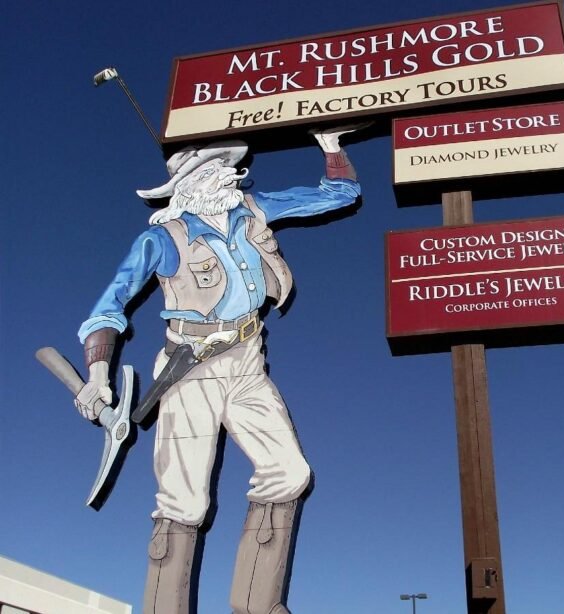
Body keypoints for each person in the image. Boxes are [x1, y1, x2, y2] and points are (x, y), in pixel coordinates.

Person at [73, 127, 362, 614]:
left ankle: (258, 605)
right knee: (184, 501)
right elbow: (110, 305)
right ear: (188, 185)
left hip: (249, 360)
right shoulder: (162, 239)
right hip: (190, 370)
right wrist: (99, 375)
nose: (228, 174)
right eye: (213, 169)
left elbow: (340, 194)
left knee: (289, 472)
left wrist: (331, 147)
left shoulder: (253, 209)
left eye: (227, 167)